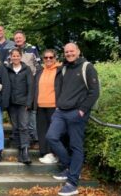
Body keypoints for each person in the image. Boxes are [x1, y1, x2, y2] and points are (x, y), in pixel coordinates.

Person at [46, 43, 99, 196]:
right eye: (67, 51)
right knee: (51, 137)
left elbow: (94, 92)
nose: (69, 53)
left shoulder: (87, 67)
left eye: (72, 51)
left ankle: (72, 183)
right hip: (61, 111)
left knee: (76, 146)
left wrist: (82, 110)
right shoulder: (64, 68)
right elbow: (60, 89)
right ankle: (69, 166)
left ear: (78, 51)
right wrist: (58, 105)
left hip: (77, 113)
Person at [6, 48, 33, 165]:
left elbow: (31, 87)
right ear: (10, 57)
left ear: (21, 57)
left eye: (17, 56)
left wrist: (29, 102)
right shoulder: (7, 69)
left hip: (23, 103)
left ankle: (26, 150)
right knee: (15, 127)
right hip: (11, 103)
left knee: (24, 126)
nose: (15, 57)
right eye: (13, 56)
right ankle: (20, 150)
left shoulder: (27, 69)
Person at [34, 49, 61, 164]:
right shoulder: (40, 71)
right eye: (46, 57)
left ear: (55, 58)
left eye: (51, 57)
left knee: (53, 132)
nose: (48, 59)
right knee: (42, 131)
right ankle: (44, 152)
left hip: (54, 106)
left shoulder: (60, 71)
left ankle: (53, 153)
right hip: (40, 105)